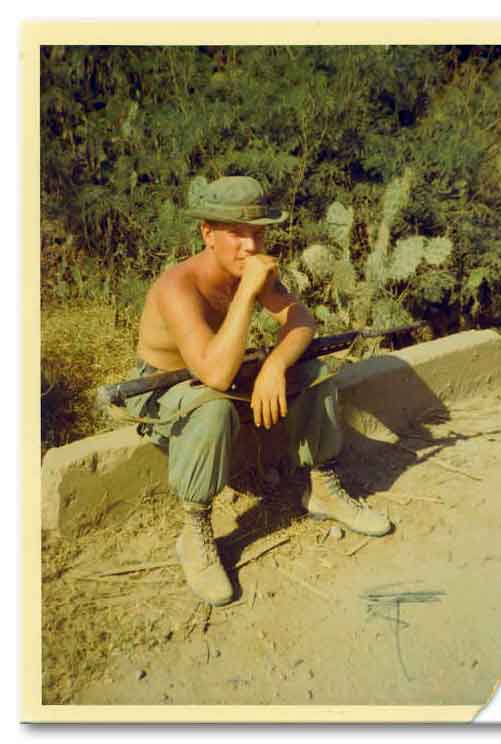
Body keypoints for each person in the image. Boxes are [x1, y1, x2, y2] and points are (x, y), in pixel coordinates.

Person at [126, 176, 391, 606]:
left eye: (258, 233)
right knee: (213, 409)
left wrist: (275, 365)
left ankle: (323, 489)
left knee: (316, 374)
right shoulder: (178, 286)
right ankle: (195, 532)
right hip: (165, 389)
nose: (250, 246)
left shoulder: (248, 269)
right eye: (236, 233)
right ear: (207, 233)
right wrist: (247, 294)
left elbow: (301, 319)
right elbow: (214, 374)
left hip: (221, 373)